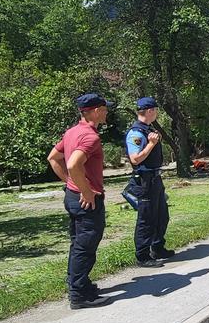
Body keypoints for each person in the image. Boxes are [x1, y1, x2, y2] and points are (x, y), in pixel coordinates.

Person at [47, 93, 112, 309]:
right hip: (86, 200)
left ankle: (81, 285)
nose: (106, 112)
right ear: (95, 111)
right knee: (86, 245)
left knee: (79, 244)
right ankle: (78, 295)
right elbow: (74, 164)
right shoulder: (89, 137)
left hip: (72, 197)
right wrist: (85, 190)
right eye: (104, 108)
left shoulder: (71, 132)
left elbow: (53, 158)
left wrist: (71, 185)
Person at [124, 97, 175, 266]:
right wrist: (151, 144)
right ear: (150, 111)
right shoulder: (136, 133)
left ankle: (157, 247)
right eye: (156, 109)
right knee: (146, 219)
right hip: (144, 181)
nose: (157, 113)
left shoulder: (148, 129)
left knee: (162, 215)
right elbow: (135, 159)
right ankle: (143, 256)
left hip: (155, 179)